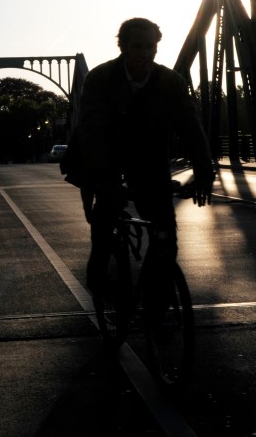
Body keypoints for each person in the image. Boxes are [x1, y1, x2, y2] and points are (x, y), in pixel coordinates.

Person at [75, 17, 214, 303]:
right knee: (104, 221)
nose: (146, 53)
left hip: (149, 160)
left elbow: (191, 126)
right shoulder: (100, 79)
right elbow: (91, 131)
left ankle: (158, 307)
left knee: (165, 235)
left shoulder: (170, 82)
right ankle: (99, 277)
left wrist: (204, 170)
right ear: (123, 47)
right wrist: (101, 178)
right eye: (138, 46)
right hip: (109, 158)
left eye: (151, 47)